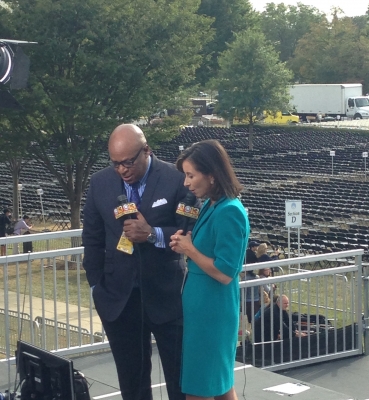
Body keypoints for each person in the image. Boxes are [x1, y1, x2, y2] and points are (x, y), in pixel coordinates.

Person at [82, 123, 197, 400]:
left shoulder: (177, 179)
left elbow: (189, 230)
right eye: (115, 164)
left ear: (147, 150)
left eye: (128, 162)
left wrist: (153, 234)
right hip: (119, 298)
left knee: (179, 380)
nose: (122, 170)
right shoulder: (100, 183)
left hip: (166, 295)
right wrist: (97, 286)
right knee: (132, 384)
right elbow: (92, 239)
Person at [169, 139, 250, 400]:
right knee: (221, 385)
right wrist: (186, 246)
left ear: (212, 175)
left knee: (200, 387)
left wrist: (190, 250)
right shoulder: (212, 205)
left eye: (191, 175)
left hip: (212, 313)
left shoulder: (229, 212)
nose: (186, 182)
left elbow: (226, 273)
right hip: (203, 309)